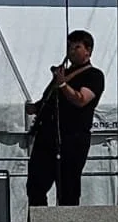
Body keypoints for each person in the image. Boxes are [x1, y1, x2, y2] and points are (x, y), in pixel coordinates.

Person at [25, 30, 106, 207]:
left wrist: (62, 84)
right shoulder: (64, 73)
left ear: (88, 51)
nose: (71, 51)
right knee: (35, 186)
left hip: (72, 139)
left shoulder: (94, 75)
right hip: (47, 137)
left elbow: (81, 99)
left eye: (77, 47)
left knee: (67, 189)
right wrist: (36, 107)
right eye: (69, 47)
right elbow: (51, 100)